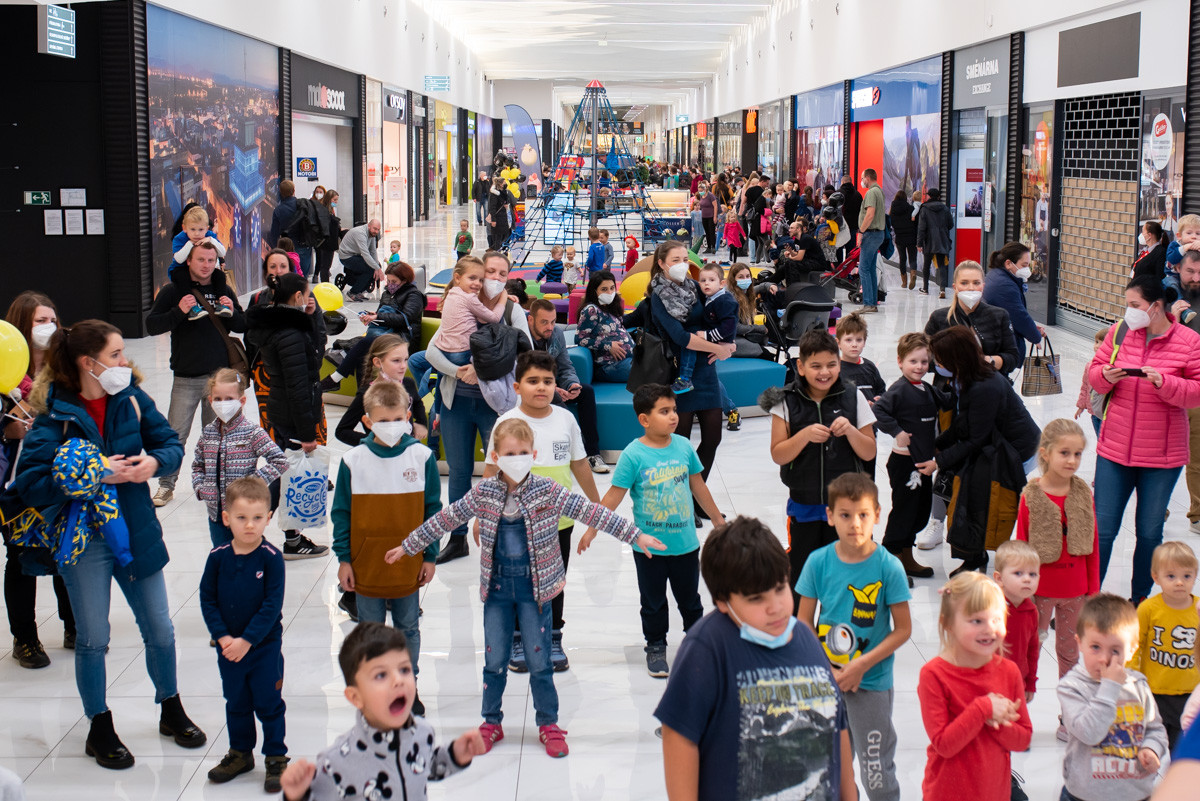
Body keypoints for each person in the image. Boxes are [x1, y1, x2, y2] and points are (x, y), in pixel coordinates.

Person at [390, 418, 663, 758]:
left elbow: (591, 512)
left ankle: (549, 723)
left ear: (533, 454)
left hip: (537, 593)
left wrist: (635, 535)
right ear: (495, 456)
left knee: (540, 661)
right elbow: (447, 518)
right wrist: (409, 545)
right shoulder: (484, 492)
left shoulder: (548, 490)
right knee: (494, 660)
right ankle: (491, 722)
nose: (516, 458)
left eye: (522, 452)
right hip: (497, 591)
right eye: (509, 453)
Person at [11, 319, 205, 769]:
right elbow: (31, 484)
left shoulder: (131, 399)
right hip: (85, 541)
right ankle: (99, 726)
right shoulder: (54, 415)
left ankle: (171, 708)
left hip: (136, 529)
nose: (124, 361)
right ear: (88, 363)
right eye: (115, 354)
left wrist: (154, 463)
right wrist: (88, 475)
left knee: (160, 629)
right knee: (94, 638)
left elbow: (169, 443)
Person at [654, 516, 855, 801]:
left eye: (780, 588)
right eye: (756, 599)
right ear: (723, 601)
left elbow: (837, 727)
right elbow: (679, 737)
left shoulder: (807, 641)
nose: (775, 607)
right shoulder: (707, 649)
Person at [585, 384, 726, 678]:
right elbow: (614, 496)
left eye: (674, 410)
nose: (673, 416)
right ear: (644, 419)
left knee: (690, 600)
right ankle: (656, 645)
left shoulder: (684, 446)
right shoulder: (633, 455)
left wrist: (717, 520)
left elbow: (698, 486)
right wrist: (593, 528)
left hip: (685, 544)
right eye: (664, 411)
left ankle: (697, 643)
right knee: (652, 602)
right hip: (648, 547)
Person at [480, 351, 600, 673]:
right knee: (520, 581)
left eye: (548, 381)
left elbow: (579, 463)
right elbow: (491, 470)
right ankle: (519, 638)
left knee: (555, 581)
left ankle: (553, 637)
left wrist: (595, 505)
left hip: (558, 521)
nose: (541, 387)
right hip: (515, 521)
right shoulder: (506, 422)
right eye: (533, 381)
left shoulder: (566, 419)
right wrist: (482, 515)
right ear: (517, 386)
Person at [797, 473, 911, 801]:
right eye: (845, 515)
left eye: (863, 515)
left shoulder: (889, 567)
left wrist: (861, 665)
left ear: (877, 515)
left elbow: (903, 629)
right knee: (831, 766)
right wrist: (829, 669)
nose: (855, 524)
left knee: (876, 770)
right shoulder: (818, 562)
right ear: (830, 516)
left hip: (871, 682)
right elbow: (803, 621)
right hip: (827, 680)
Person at [1089, 274, 1200, 603]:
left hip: (1162, 457)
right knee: (1102, 530)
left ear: (1156, 306)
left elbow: (1196, 392)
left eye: (1135, 305)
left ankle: (1139, 601)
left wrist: (1165, 383)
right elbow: (1095, 372)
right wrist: (1105, 376)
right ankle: (1086, 601)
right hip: (1115, 449)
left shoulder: (1189, 341)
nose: (1129, 311)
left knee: (1149, 532)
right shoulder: (1120, 332)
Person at [278, 623, 484, 800]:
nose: (398, 680)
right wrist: (296, 795)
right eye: (381, 675)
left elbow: (424, 766)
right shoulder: (337, 762)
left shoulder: (423, 732)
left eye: (404, 669)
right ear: (355, 697)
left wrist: (455, 754)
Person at [332, 381, 440, 714]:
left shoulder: (422, 456)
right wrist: (344, 559)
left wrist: (430, 555)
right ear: (367, 421)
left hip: (409, 564)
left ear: (408, 416)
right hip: (366, 567)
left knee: (408, 629)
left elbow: (433, 511)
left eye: (397, 419)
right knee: (371, 632)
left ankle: (409, 687)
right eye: (383, 420)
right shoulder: (353, 460)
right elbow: (341, 513)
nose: (391, 426)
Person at [759, 329, 877, 608]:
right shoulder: (784, 400)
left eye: (831, 365)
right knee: (802, 575)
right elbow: (778, 454)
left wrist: (851, 431)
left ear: (839, 364)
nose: (824, 372)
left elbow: (869, 451)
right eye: (816, 366)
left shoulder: (853, 396)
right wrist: (803, 436)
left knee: (847, 576)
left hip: (847, 506)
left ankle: (840, 628)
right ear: (800, 367)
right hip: (805, 503)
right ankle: (800, 628)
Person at [429, 252, 532, 564]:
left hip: (496, 409)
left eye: (503, 274)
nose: (495, 278)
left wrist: (482, 367)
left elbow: (526, 354)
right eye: (490, 271)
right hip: (456, 402)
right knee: (459, 472)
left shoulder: (511, 310)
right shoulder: (459, 302)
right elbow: (432, 352)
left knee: (505, 473)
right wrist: (459, 371)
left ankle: (503, 536)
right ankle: (457, 537)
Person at [924, 327, 1040, 576]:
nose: (937, 364)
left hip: (1013, 449)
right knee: (969, 496)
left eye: (940, 359)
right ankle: (974, 555)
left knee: (978, 501)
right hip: (992, 443)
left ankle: (979, 557)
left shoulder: (984, 386)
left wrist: (939, 462)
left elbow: (975, 439)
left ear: (956, 358)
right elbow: (963, 422)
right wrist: (938, 444)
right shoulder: (969, 376)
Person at [199, 476, 289, 792]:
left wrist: (247, 641)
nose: (249, 525)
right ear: (226, 518)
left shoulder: (272, 558)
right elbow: (208, 599)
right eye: (241, 518)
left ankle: (276, 756)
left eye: (257, 518)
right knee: (236, 701)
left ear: (268, 518)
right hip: (229, 649)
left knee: (268, 702)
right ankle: (240, 753)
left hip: (263, 647)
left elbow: (271, 606)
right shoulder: (218, 557)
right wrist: (223, 637)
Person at [2, 291, 75, 668]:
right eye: (39, 321)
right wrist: (6, 430)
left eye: (52, 319)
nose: (49, 326)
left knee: (67, 549)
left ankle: (74, 625)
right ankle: (25, 638)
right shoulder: (8, 374)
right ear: (21, 327)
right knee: (20, 557)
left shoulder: (67, 367)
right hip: (17, 484)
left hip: (62, 478)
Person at [145, 240, 245, 508]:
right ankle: (166, 485)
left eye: (211, 261)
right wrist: (179, 311)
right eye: (201, 259)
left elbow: (242, 324)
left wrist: (232, 311)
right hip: (186, 377)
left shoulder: (223, 289)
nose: (206, 265)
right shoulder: (173, 291)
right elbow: (152, 325)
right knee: (176, 435)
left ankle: (218, 484)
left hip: (219, 381)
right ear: (188, 261)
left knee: (218, 436)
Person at [918, 573, 1032, 801]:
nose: (989, 629)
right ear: (948, 623)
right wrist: (983, 709)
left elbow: (1023, 740)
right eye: (976, 621)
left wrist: (996, 723)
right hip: (946, 794)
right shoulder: (934, 674)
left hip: (994, 793)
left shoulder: (1009, 671)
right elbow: (944, 745)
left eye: (996, 619)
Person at [645, 242, 737, 520]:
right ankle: (680, 502)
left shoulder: (696, 287)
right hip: (678, 373)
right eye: (676, 259)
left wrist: (728, 343)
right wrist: (717, 348)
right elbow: (680, 336)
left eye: (685, 258)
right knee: (680, 444)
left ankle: (697, 499)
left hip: (705, 372)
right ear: (662, 263)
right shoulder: (658, 296)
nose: (682, 264)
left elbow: (719, 317)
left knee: (713, 437)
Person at [1015, 418, 1099, 712]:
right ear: (1046, 453)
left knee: (1070, 652)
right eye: (1065, 453)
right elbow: (1022, 546)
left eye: (1077, 454)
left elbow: (1093, 544)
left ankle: (1070, 712)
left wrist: (1093, 590)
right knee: (1030, 649)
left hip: (1076, 592)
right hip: (1038, 592)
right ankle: (1019, 710)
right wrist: (1020, 591)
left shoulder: (1083, 494)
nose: (1072, 460)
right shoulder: (1031, 496)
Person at [247, 273, 329, 559]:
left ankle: (288, 538)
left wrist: (311, 317)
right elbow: (298, 384)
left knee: (285, 473)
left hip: (282, 409)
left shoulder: (280, 325)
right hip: (293, 414)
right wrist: (307, 434)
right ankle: (249, 526)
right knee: (284, 477)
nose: (309, 299)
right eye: (307, 295)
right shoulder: (290, 334)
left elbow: (314, 354)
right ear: (297, 297)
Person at [1058, 594, 1168, 801]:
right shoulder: (1072, 687)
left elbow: (1155, 729)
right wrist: (1110, 687)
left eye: (1115, 650)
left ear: (1132, 650)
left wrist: (1151, 749)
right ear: (1080, 643)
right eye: (1095, 647)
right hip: (1084, 795)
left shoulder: (1139, 685)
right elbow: (1089, 733)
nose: (1104, 659)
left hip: (1136, 793)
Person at [873, 332, 944, 579]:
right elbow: (879, 411)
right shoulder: (899, 389)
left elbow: (946, 402)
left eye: (924, 362)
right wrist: (897, 431)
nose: (919, 367)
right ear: (900, 361)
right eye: (913, 361)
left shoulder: (927, 389)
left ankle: (906, 555)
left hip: (923, 462)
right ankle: (890, 560)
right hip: (904, 462)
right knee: (904, 511)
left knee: (920, 511)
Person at [191, 368, 288, 548]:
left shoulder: (252, 432)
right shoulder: (208, 432)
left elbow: (280, 461)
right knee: (222, 554)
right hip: (216, 515)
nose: (223, 403)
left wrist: (251, 484)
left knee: (247, 552)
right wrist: (200, 488)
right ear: (210, 400)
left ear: (242, 401)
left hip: (244, 514)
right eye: (218, 399)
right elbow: (198, 464)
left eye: (229, 398)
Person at [246, 250, 328, 445]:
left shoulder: (305, 303)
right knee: (284, 445)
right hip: (273, 382)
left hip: (287, 388)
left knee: (282, 444)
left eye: (283, 266)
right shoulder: (259, 300)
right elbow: (297, 387)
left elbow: (319, 336)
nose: (278, 271)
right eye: (273, 267)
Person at [1129, 541, 1199, 749]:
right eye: (1171, 576)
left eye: (1187, 576)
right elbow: (1134, 644)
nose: (1179, 583)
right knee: (1150, 745)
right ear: (1156, 577)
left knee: (1179, 747)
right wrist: (1131, 677)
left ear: (1195, 576)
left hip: (1189, 692)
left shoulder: (1198, 609)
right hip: (1154, 690)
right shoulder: (1148, 609)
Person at [526, 299, 608, 473]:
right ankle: (570, 455)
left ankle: (593, 454)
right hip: (531, 392)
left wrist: (572, 384)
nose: (550, 327)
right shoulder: (521, 337)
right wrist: (552, 388)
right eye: (544, 322)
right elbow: (523, 376)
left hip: (554, 387)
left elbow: (565, 366)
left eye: (553, 321)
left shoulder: (556, 333)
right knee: (555, 400)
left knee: (586, 391)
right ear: (531, 320)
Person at [320, 260, 425, 392]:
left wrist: (378, 317)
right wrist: (371, 317)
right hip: (385, 336)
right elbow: (381, 316)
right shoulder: (387, 294)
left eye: (394, 281)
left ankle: (335, 380)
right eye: (389, 281)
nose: (390, 284)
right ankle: (362, 395)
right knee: (363, 354)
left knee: (365, 343)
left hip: (402, 339)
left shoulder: (414, 295)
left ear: (405, 280)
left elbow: (406, 318)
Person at [924, 261, 1021, 376]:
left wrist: (989, 361)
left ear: (983, 286)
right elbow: (924, 356)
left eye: (976, 283)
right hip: (949, 385)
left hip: (990, 383)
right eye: (964, 283)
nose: (971, 288)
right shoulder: (939, 317)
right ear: (955, 287)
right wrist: (948, 364)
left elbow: (1013, 358)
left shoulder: (999, 315)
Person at [334, 334, 428, 449]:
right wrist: (373, 442)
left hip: (407, 451)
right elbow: (342, 431)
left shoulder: (408, 384)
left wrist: (421, 423)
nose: (403, 366)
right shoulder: (367, 394)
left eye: (405, 360)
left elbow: (417, 402)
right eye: (396, 361)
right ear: (378, 363)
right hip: (378, 456)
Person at [672, 264, 737, 396]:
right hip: (716, 336)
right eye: (703, 280)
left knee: (690, 343)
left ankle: (685, 377)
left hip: (718, 337)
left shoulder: (724, 300)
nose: (707, 283)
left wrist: (708, 336)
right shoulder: (712, 297)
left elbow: (729, 326)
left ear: (722, 283)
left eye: (711, 280)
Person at [992, 540, 1042, 705]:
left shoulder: (1031, 611)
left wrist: (1030, 683)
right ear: (999, 578)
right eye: (1018, 573)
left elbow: (1032, 650)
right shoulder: (988, 608)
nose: (1027, 579)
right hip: (988, 680)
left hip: (1017, 681)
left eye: (1032, 574)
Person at [1172, 250, 1200, 533]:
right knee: (1164, 455)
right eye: (1191, 271)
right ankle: (1157, 507)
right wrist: (1173, 320)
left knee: (1198, 457)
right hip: (1171, 389)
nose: (1196, 278)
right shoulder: (1167, 298)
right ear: (1179, 268)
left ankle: (1198, 514)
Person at [982, 242, 1043, 361]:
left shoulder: (996, 275)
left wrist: (1033, 328)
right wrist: (1035, 336)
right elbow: (1018, 316)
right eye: (1024, 265)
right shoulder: (1005, 286)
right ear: (1008, 263)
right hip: (1000, 347)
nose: (1027, 270)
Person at [575, 270, 634, 383]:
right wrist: (608, 346)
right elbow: (580, 339)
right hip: (608, 365)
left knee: (656, 365)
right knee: (646, 372)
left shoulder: (611, 307)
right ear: (594, 291)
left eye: (612, 288)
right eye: (604, 289)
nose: (610, 292)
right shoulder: (591, 310)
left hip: (625, 360)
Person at [856, 168, 887, 313]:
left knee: (863, 269)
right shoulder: (879, 191)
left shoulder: (871, 192)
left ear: (868, 178)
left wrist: (861, 232)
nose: (862, 181)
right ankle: (873, 302)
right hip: (878, 234)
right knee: (871, 269)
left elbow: (870, 214)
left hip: (870, 234)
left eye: (862, 178)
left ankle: (868, 303)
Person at [170, 205, 227, 284]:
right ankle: (189, 292)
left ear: (206, 229)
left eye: (201, 229)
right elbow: (179, 260)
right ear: (184, 228)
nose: (197, 233)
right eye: (193, 229)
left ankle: (219, 292)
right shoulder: (179, 238)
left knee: (220, 276)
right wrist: (190, 244)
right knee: (180, 277)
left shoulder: (210, 236)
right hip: (185, 270)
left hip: (208, 271)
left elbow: (222, 253)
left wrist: (211, 240)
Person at [724, 263, 767, 361]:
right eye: (741, 277)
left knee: (762, 343)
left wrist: (766, 286)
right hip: (728, 339)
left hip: (737, 336)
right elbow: (736, 327)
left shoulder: (742, 292)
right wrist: (758, 328)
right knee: (764, 354)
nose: (745, 280)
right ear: (733, 279)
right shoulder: (730, 298)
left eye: (748, 276)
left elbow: (754, 290)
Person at [916, 188, 954, 297]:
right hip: (942, 239)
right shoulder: (945, 208)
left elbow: (921, 228)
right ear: (938, 197)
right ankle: (942, 289)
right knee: (942, 265)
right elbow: (951, 224)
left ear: (929, 196)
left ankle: (925, 288)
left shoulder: (924, 208)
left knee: (927, 265)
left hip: (929, 240)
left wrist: (919, 243)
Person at [337, 219, 384, 302]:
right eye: (374, 229)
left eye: (378, 229)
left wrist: (377, 266)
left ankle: (359, 291)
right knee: (370, 269)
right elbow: (365, 254)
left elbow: (373, 251)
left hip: (356, 255)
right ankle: (352, 293)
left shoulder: (372, 234)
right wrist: (377, 268)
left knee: (374, 267)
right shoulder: (360, 233)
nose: (376, 231)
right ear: (369, 226)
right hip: (346, 256)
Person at [313, 189, 343, 284]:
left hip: (328, 242)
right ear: (329, 199)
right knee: (325, 266)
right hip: (326, 243)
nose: (336, 202)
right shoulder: (324, 212)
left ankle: (325, 284)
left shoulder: (329, 211)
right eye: (334, 200)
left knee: (326, 266)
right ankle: (325, 285)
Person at [890, 190, 918, 289]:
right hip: (911, 236)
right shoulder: (911, 208)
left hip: (900, 237)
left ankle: (904, 282)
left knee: (902, 259)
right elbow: (915, 222)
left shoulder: (893, 210)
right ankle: (913, 273)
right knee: (912, 257)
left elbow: (891, 222)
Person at [485, 175, 511, 250]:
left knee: (505, 235)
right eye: (504, 183)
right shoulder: (494, 194)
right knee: (497, 237)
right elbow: (492, 207)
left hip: (503, 217)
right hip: (497, 218)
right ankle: (495, 251)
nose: (505, 184)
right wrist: (493, 220)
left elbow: (506, 201)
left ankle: (495, 249)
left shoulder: (504, 192)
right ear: (500, 184)